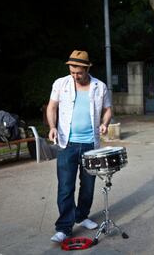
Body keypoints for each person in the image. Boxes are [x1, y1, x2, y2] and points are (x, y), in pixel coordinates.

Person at [47, 50, 112, 243]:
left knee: (88, 186)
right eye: (72, 71)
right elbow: (52, 107)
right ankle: (64, 227)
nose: (75, 76)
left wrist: (105, 123)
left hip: (91, 144)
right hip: (67, 143)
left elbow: (108, 109)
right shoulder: (61, 83)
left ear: (87, 69)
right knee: (66, 186)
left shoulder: (99, 86)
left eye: (79, 72)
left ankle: (82, 216)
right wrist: (52, 127)